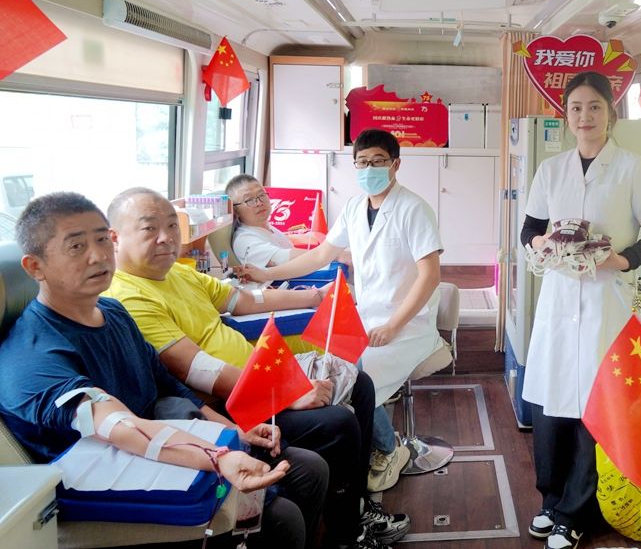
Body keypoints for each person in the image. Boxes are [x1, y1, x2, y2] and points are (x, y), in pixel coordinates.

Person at [0, 192, 325, 549]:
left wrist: (235, 431)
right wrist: (218, 456)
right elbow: (116, 424)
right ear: (35, 267)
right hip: (107, 488)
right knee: (282, 519)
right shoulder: (30, 357)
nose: (98, 256)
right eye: (76, 246)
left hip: (164, 447)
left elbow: (167, 383)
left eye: (101, 239)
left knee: (308, 471)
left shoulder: (114, 313)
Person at [102, 187, 408, 549]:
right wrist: (288, 391)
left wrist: (314, 296)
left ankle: (355, 504)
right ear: (115, 238)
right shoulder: (128, 296)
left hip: (260, 375)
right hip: (233, 402)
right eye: (149, 228)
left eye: (172, 225)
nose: (166, 237)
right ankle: (348, 532)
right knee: (336, 423)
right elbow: (196, 369)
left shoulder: (178, 274)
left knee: (359, 382)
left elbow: (245, 300)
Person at [238, 129, 443, 493]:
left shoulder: (414, 209)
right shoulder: (353, 207)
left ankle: (387, 449)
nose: (370, 168)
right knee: (328, 369)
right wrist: (266, 274)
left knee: (355, 379)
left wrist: (394, 325)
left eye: (378, 161)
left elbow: (430, 276)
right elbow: (320, 255)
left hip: (408, 323)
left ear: (395, 164)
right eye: (362, 162)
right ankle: (370, 451)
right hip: (366, 318)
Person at [519, 71, 641, 549]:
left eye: (595, 107)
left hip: (608, 301)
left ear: (611, 113)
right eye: (576, 108)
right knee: (551, 404)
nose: (585, 116)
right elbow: (529, 230)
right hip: (559, 297)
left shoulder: (633, 168)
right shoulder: (551, 170)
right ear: (566, 116)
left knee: (594, 408)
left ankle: (576, 513)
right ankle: (551, 500)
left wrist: (618, 260)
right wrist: (543, 245)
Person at [225, 173, 350, 268]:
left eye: (261, 195)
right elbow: (282, 257)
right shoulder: (244, 240)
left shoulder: (268, 228)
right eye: (249, 200)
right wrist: (333, 255)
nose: (259, 203)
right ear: (235, 210)